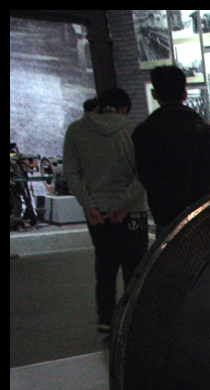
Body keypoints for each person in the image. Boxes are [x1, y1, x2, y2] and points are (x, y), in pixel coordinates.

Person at [62, 87, 148, 334]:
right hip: (131, 213)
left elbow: (72, 173)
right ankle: (133, 319)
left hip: (97, 213)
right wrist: (123, 204)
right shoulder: (133, 131)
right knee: (135, 269)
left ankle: (106, 317)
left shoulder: (76, 130)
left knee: (105, 265)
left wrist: (89, 205)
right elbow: (143, 174)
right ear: (123, 109)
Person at [132, 64, 210, 237]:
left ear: (154, 94)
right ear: (184, 94)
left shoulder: (144, 133)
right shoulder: (207, 132)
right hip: (206, 217)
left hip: (168, 219)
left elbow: (148, 177)